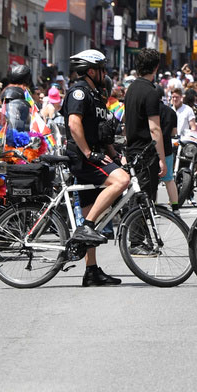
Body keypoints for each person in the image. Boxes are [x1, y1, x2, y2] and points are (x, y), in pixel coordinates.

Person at [63, 49, 128, 286]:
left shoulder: (96, 94)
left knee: (94, 211)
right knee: (121, 181)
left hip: (96, 154)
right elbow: (73, 124)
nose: (105, 73)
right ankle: (86, 228)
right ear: (91, 71)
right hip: (84, 158)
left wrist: (115, 155)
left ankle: (91, 271)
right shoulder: (79, 92)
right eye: (102, 69)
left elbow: (103, 131)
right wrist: (89, 152)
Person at [124, 49, 169, 203]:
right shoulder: (151, 92)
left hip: (131, 151)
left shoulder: (130, 89)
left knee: (135, 200)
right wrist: (162, 159)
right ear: (156, 68)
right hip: (146, 155)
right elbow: (154, 128)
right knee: (145, 203)